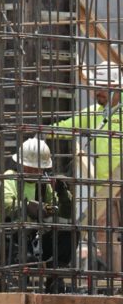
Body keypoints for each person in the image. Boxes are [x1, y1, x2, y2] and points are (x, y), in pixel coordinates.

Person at [47, 61, 122, 272]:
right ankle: (117, 280)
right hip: (105, 186)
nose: (95, 92)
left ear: (115, 86)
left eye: (100, 88)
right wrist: (42, 131)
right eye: (94, 87)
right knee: (105, 232)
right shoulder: (95, 112)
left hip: (119, 178)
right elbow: (66, 127)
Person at [0, 138, 73, 293]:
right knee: (16, 243)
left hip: (33, 242)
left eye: (38, 168)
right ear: (21, 163)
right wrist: (29, 206)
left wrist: (62, 193)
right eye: (30, 167)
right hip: (7, 239)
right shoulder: (10, 178)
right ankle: (0, 276)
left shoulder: (44, 186)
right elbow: (7, 205)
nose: (34, 172)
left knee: (68, 233)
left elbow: (62, 213)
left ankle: (55, 276)